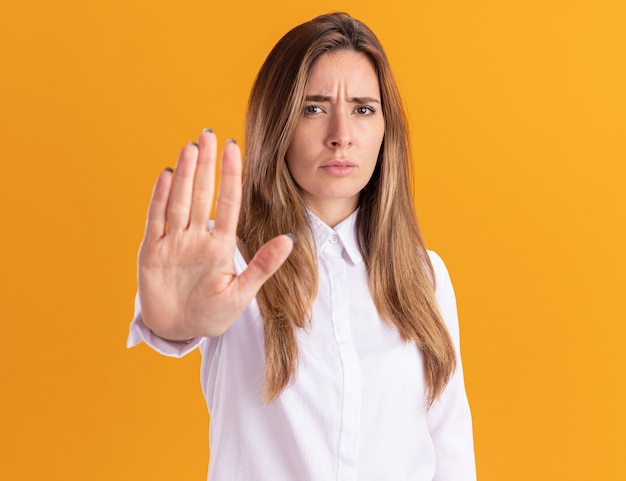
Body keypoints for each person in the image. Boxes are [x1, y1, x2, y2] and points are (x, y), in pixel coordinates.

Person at [128, 11, 476, 481]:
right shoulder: (230, 264)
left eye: (363, 108)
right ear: (279, 126)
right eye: (313, 108)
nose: (341, 135)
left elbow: (451, 452)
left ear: (385, 129)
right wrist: (171, 325)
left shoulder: (426, 277)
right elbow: (180, 318)